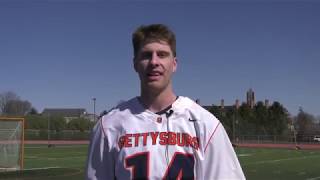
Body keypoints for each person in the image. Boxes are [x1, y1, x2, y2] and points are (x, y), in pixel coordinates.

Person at [86, 24, 245, 180]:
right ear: (135, 64)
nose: (154, 62)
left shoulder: (206, 125)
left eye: (162, 54)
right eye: (146, 55)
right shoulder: (109, 126)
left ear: (174, 64)